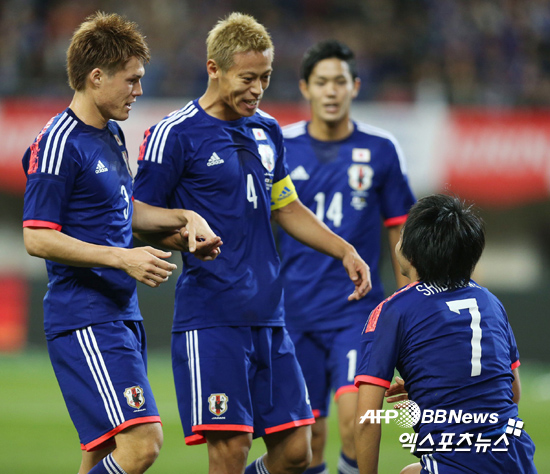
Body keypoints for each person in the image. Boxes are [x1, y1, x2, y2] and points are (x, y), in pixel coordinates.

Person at [133, 13, 371, 474]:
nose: (258, 88)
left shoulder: (267, 130)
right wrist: (185, 234)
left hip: (269, 315)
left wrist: (344, 249)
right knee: (230, 452)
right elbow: (139, 215)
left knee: (297, 451)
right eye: (247, 78)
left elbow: (286, 206)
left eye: (265, 77)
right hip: (212, 318)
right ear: (213, 68)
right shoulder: (173, 133)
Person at [22, 12, 221, 474]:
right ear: (96, 77)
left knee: (101, 453)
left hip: (120, 313)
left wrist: (184, 225)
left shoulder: (110, 134)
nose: (139, 90)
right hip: (84, 315)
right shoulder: (57, 142)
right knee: (143, 443)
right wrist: (121, 258)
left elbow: (122, 213)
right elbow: (36, 236)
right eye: (131, 80)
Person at [276, 40, 416, 474]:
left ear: (355, 86)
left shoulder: (381, 148)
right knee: (306, 442)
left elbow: (401, 233)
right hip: (293, 313)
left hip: (357, 314)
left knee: (359, 421)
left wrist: (414, 305)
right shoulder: (280, 146)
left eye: (340, 81)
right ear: (305, 88)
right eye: (322, 82)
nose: (331, 91)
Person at [354, 194, 537, 474]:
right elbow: (512, 393)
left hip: (456, 463)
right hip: (516, 458)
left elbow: (367, 419)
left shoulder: (394, 310)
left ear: (411, 253)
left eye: (401, 237)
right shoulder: (490, 301)